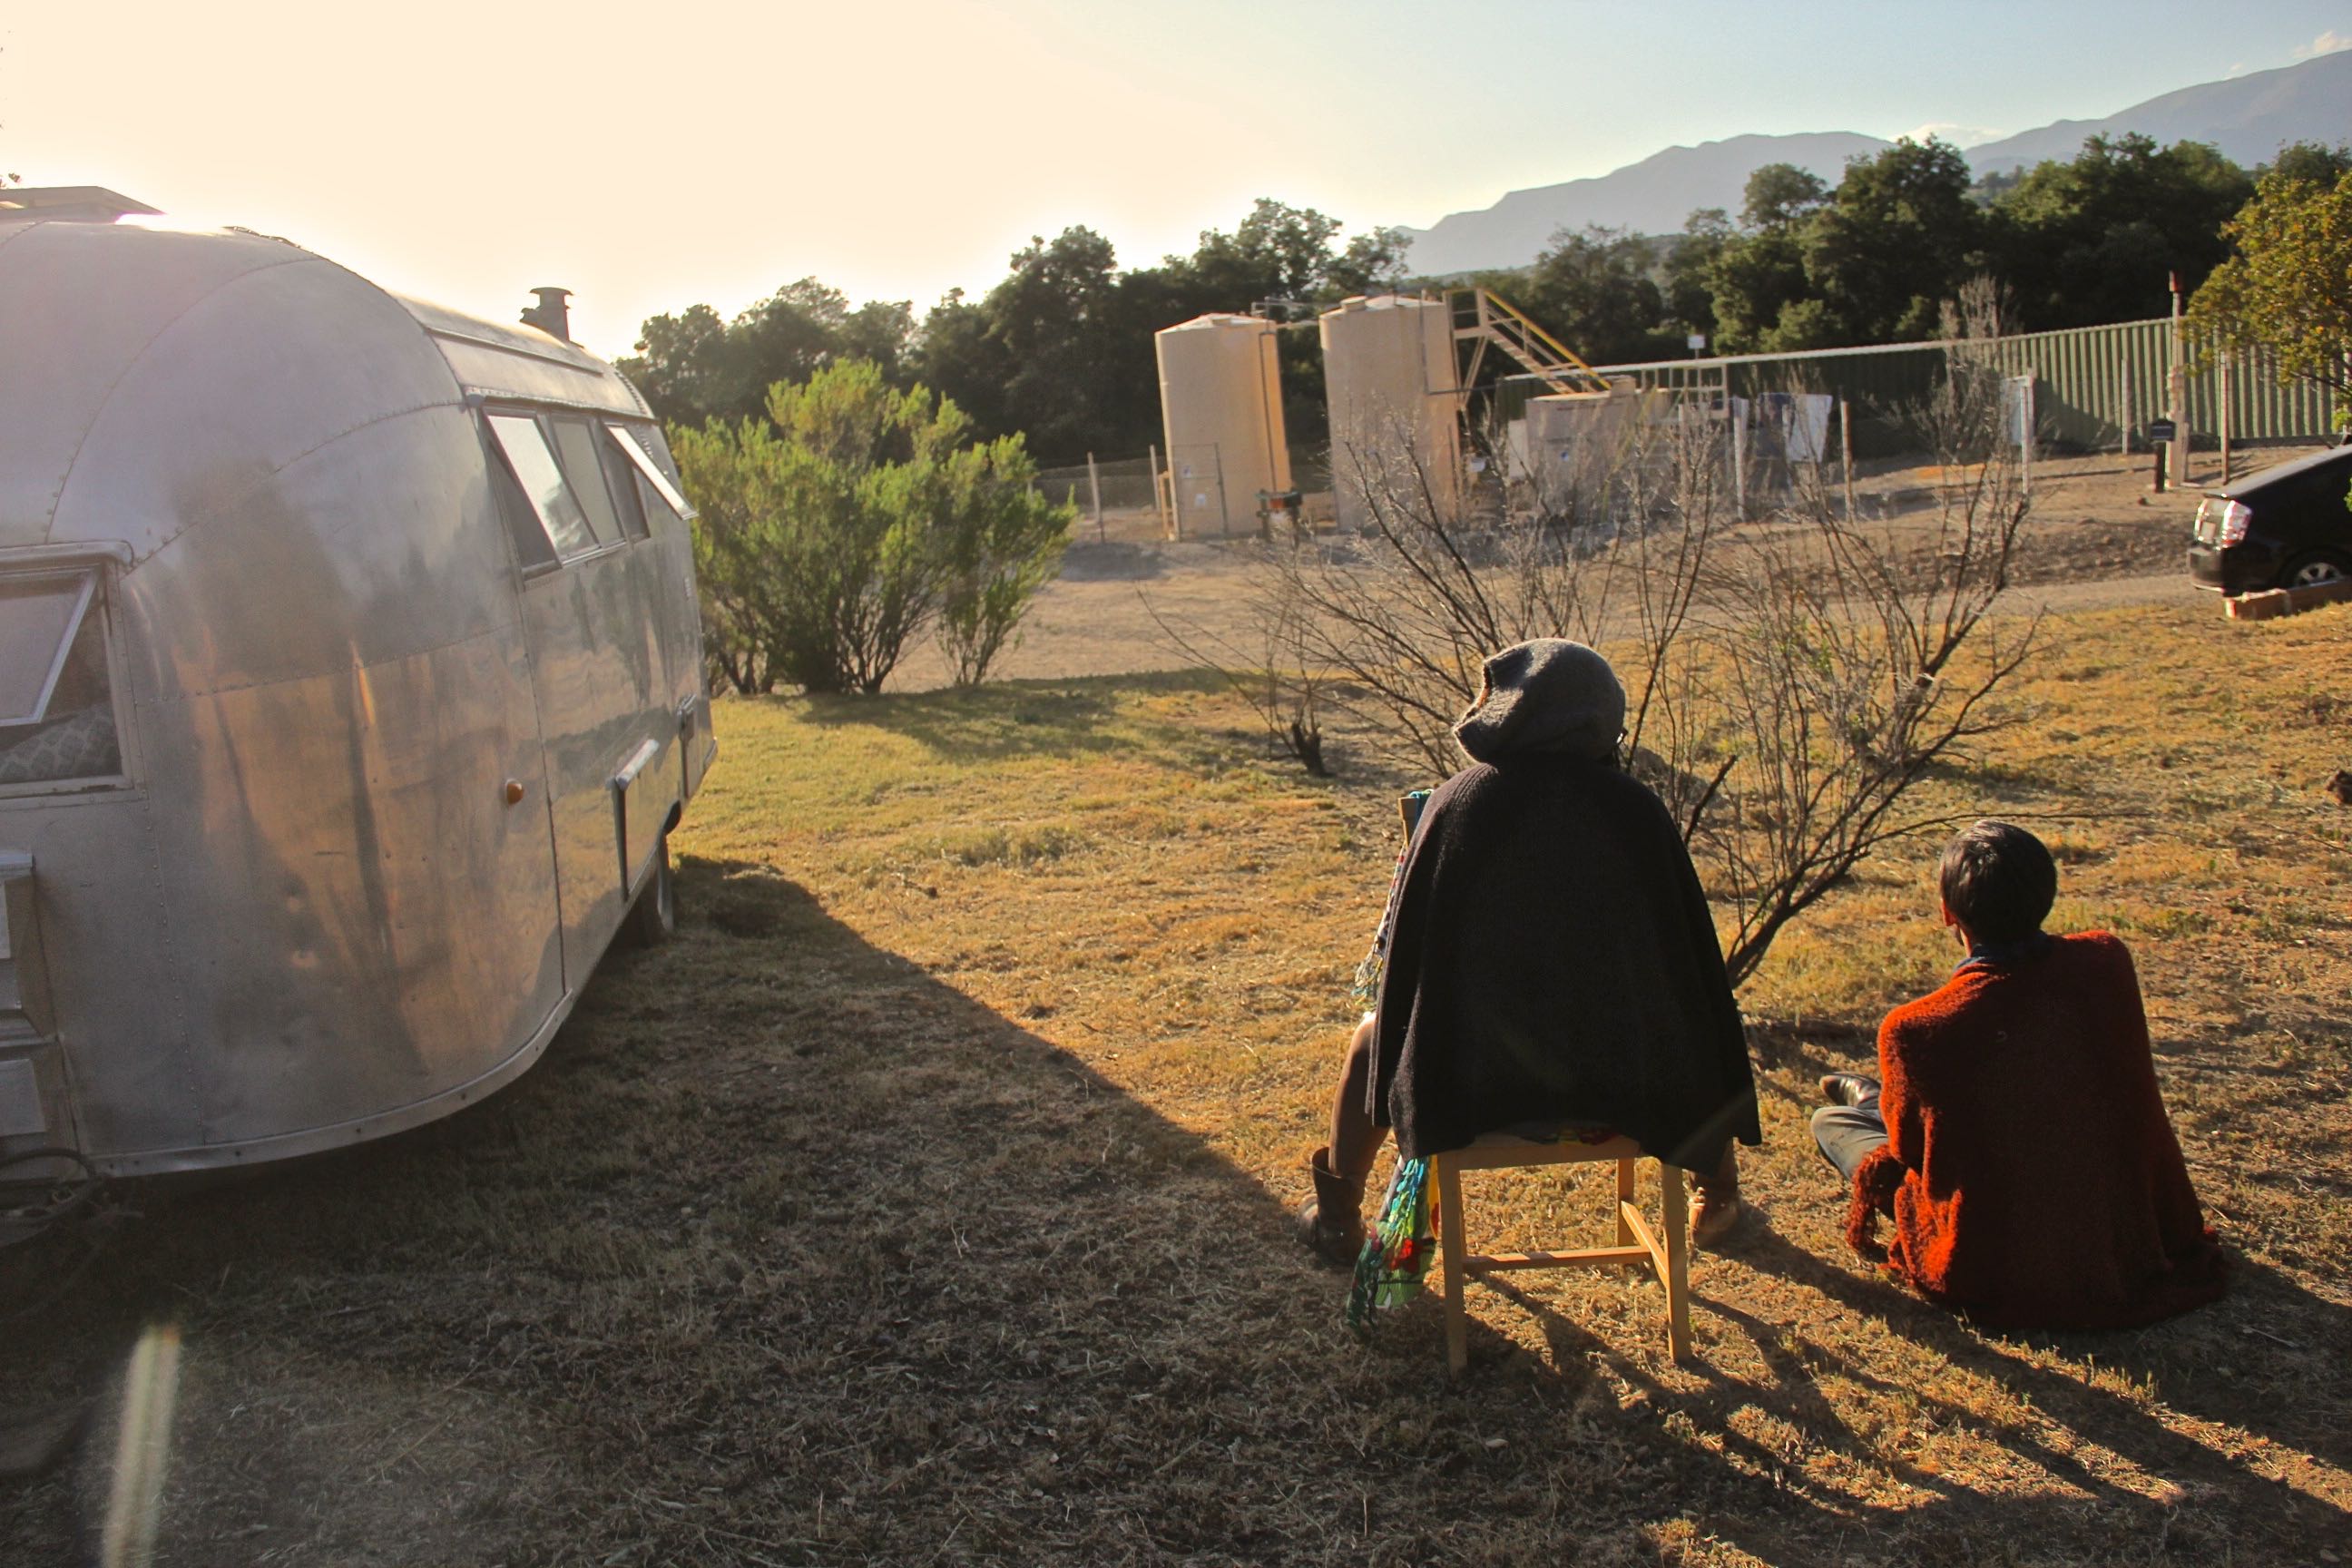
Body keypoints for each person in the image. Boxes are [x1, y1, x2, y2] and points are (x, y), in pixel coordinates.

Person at [1297, 639, 1761, 1263]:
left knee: (1369, 1039)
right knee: (1694, 1015)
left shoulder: (1457, 802)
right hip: (1630, 1084)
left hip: (1472, 1088)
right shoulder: (1637, 810)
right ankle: (1717, 1191)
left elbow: (1408, 972)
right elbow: (1688, 966)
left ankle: (1337, 1219)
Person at [1814, 820, 2227, 1329]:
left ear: (1947, 912)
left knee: (1830, 1124)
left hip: (2000, 1257)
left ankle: (1866, 1102)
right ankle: (1870, 1098)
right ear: (2047, 893)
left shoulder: (1917, 1028)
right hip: (2124, 1224)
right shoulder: (2107, 962)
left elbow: (1910, 1153)